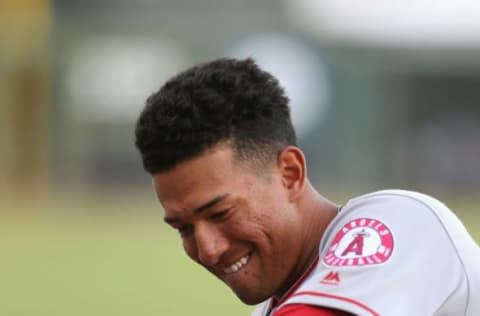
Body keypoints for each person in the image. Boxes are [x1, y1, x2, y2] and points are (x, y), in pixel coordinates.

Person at [134, 58, 480, 316]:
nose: (207, 249)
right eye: (184, 229)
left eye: (221, 212)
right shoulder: (277, 305)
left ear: (290, 172)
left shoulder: (395, 224)